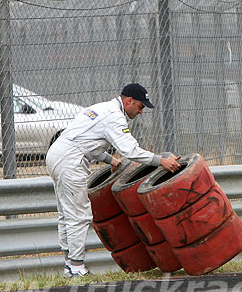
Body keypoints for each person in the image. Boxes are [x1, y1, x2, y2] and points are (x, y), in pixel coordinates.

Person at [46, 83, 181, 277]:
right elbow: (131, 151)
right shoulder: (115, 117)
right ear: (129, 101)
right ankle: (75, 267)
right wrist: (162, 161)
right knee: (79, 214)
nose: (141, 111)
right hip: (69, 159)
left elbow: (86, 141)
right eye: (140, 106)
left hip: (57, 153)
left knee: (66, 214)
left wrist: (110, 159)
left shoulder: (101, 108)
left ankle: (69, 265)